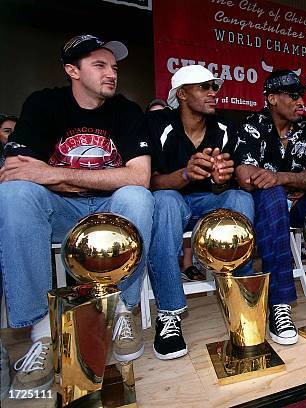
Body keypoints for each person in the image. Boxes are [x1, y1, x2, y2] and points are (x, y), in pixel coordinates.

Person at [0, 34, 155, 394]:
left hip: (107, 211)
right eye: (99, 65)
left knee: (138, 197)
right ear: (73, 70)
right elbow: (17, 171)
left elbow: (139, 177)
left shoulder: (127, 111)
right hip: (62, 211)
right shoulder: (43, 104)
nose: (111, 73)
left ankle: (121, 313)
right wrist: (84, 183)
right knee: (16, 194)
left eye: (113, 67)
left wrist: (55, 174)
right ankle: (42, 332)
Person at [146, 65, 255, 359]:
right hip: (173, 200)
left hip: (208, 200)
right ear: (181, 94)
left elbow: (227, 181)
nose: (212, 93)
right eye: (204, 87)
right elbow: (148, 181)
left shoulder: (224, 128)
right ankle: (169, 313)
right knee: (165, 201)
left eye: (214, 87)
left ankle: (241, 298)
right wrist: (185, 174)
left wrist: (222, 180)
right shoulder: (158, 124)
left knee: (241, 199)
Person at [234, 70, 306, 345]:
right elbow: (245, 175)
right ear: (272, 98)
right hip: (267, 207)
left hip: (299, 206)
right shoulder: (252, 125)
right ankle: (280, 304)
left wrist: (281, 177)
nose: (301, 102)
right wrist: (280, 184)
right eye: (293, 96)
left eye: (302, 96)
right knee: (271, 194)